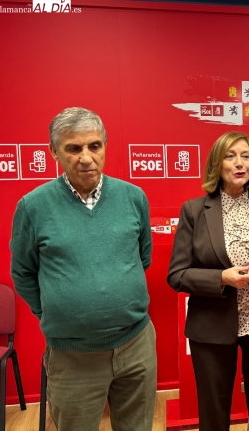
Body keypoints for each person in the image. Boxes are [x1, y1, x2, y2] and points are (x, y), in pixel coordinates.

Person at [10, 107, 157, 431]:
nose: (86, 158)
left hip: (136, 345)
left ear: (104, 145)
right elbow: (23, 273)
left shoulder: (133, 198)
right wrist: (59, 311)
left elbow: (142, 257)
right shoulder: (33, 207)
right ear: (54, 152)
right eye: (74, 148)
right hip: (72, 356)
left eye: (94, 145)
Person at [167, 131, 249, 431]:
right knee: (214, 408)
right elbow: (177, 275)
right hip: (212, 325)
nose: (240, 163)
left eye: (245, 156)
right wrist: (221, 278)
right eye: (230, 156)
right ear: (217, 164)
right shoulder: (194, 210)